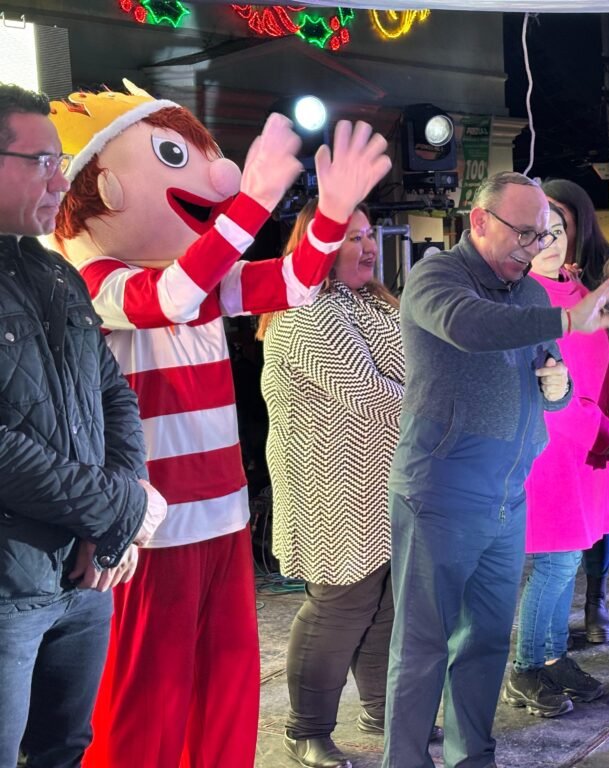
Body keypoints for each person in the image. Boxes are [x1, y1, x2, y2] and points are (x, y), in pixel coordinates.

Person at [50, 82, 393, 768]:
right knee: (150, 689)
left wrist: (327, 215)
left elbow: (293, 284)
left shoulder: (200, 281)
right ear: (103, 184)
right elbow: (170, 299)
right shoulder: (93, 279)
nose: (223, 173)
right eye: (178, 155)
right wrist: (254, 201)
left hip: (223, 518)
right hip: (148, 529)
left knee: (227, 682)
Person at [383, 171, 609, 768]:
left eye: (542, 236)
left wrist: (559, 390)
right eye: (524, 233)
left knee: (487, 642)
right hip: (441, 492)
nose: (533, 248)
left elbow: (546, 385)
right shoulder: (437, 277)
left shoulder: (532, 295)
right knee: (423, 646)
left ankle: (472, 758)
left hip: (508, 496)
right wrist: (566, 322)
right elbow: (471, 327)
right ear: (479, 221)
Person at [0, 82, 165, 767]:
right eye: (41, 159)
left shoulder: (55, 274)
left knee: (65, 749)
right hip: (10, 588)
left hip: (84, 578)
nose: (59, 177)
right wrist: (122, 506)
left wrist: (113, 525)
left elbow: (112, 395)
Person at [259, 202, 439, 768]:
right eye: (349, 237)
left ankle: (383, 708)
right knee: (339, 606)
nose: (366, 246)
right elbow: (370, 392)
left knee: (386, 602)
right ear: (315, 248)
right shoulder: (306, 313)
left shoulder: (367, 301)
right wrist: (443, 402)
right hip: (331, 489)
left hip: (384, 483)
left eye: (367, 235)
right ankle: (304, 728)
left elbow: (421, 366)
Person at [501, 202, 609, 718]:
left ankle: (553, 659)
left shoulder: (579, 292)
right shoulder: (523, 300)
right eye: (538, 233)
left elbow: (602, 370)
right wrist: (596, 429)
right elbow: (541, 381)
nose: (550, 240)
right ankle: (526, 668)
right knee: (554, 563)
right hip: (552, 446)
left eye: (557, 231)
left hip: (588, 445)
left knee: (569, 559)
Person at [542, 177, 609, 643]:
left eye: (559, 220)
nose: (549, 233)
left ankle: (596, 597)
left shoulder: (604, 267)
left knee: (602, 496)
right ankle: (543, 644)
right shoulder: (538, 274)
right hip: (561, 394)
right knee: (563, 517)